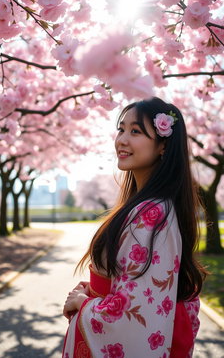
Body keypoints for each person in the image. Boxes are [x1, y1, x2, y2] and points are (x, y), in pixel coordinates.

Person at [62, 97, 207, 358]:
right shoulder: (148, 207)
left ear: (163, 145)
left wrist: (85, 305)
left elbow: (139, 310)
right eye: (121, 129)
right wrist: (92, 290)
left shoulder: (153, 214)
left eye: (136, 131)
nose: (122, 140)